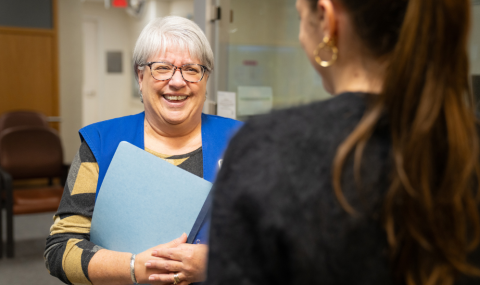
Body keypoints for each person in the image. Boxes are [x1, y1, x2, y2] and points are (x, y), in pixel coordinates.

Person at [206, 0, 480, 285]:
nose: (300, 37)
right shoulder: (464, 146)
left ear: (326, 19)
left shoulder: (267, 153)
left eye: (300, 17)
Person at [44, 16, 241, 285]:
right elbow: (60, 249)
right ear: (140, 76)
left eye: (192, 69)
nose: (177, 81)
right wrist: (134, 268)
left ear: (205, 79)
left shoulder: (245, 143)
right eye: (162, 68)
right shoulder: (101, 143)